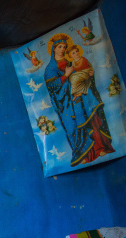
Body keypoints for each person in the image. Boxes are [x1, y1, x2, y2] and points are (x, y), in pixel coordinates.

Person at [44, 34, 115, 167]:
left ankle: (100, 147)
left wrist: (89, 75)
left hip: (81, 97)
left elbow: (82, 74)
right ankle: (83, 154)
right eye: (59, 47)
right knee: (73, 128)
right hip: (65, 103)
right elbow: (52, 87)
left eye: (64, 47)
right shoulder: (50, 69)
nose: (62, 49)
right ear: (53, 48)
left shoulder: (71, 61)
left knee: (92, 119)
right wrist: (66, 75)